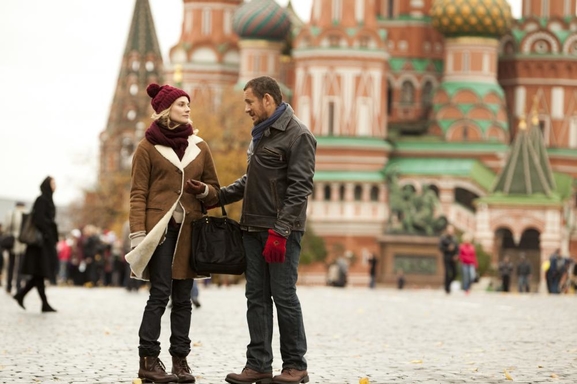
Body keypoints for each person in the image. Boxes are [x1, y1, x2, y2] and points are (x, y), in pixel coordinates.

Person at [220, 76, 316, 384]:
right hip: (252, 227)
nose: (246, 108)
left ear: (267, 100)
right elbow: (253, 181)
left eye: (249, 101)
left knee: (284, 296)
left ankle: (295, 366)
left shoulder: (298, 135)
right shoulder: (261, 134)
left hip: (280, 232)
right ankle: (258, 364)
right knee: (256, 298)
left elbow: (300, 188)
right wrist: (217, 196)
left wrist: (282, 230)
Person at [124, 83, 220, 384]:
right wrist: (138, 234)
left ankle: (181, 361)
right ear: (166, 109)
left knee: (183, 298)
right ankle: (149, 360)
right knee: (159, 293)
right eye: (180, 104)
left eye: (187, 104)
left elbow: (215, 192)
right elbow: (138, 194)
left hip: (190, 232)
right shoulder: (146, 148)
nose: (187, 108)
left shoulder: (200, 146)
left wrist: (204, 190)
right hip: (159, 232)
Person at [13, 176, 58, 312]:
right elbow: (38, 218)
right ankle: (41, 302)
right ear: (47, 185)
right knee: (40, 272)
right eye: (53, 183)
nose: (55, 185)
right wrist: (47, 232)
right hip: (39, 244)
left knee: (39, 274)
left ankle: (22, 296)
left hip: (44, 243)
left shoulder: (48, 200)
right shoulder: (42, 199)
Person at [4, 201, 26, 293]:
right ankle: (18, 285)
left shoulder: (11, 214)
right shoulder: (27, 213)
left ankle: (9, 285)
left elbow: (6, 227)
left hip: (12, 240)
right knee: (20, 265)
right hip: (23, 241)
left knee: (11, 264)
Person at [439, 224, 459, 294]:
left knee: (454, 273)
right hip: (446, 257)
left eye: (451, 230)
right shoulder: (443, 238)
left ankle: (448, 284)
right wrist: (448, 249)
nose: (450, 232)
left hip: (453, 258)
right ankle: (447, 288)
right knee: (447, 273)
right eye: (449, 230)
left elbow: (457, 248)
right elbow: (440, 248)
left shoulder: (454, 238)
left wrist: (456, 255)